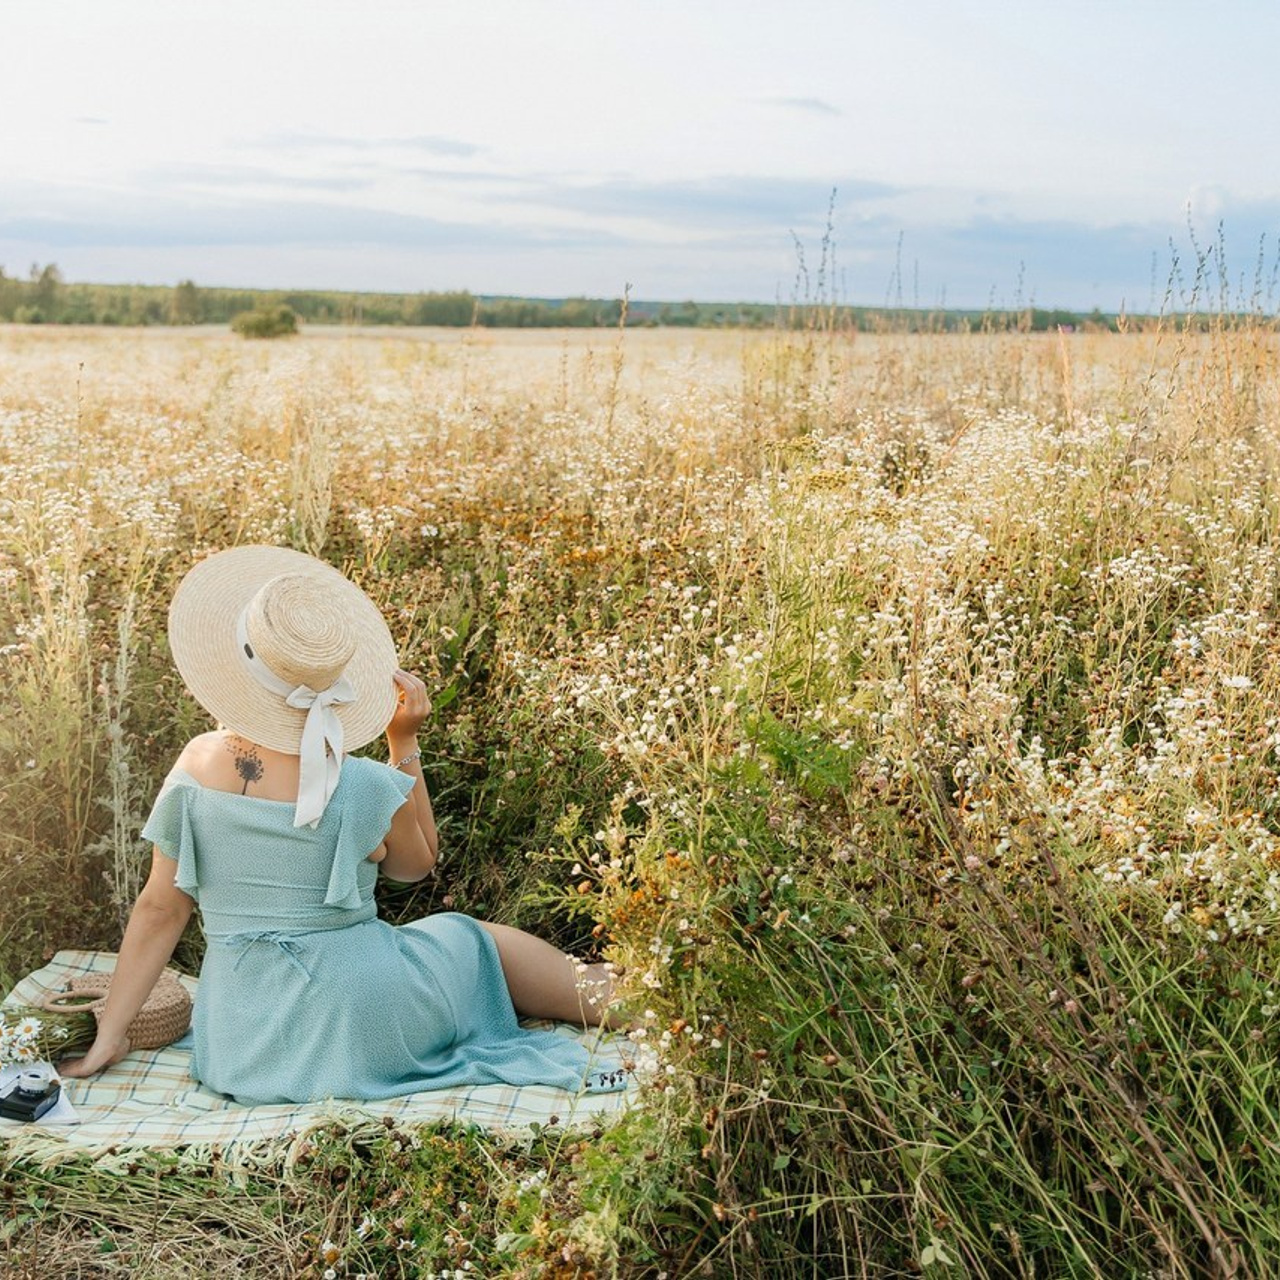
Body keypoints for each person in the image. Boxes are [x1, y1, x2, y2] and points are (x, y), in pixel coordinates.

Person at [60, 546, 625, 1104]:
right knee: (469, 939)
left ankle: (627, 986)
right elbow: (416, 866)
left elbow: (161, 910)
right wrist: (403, 742)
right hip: (356, 1020)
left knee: (447, 944)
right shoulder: (359, 782)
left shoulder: (196, 765)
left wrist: (111, 1035)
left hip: (240, 1043)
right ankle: (636, 999)